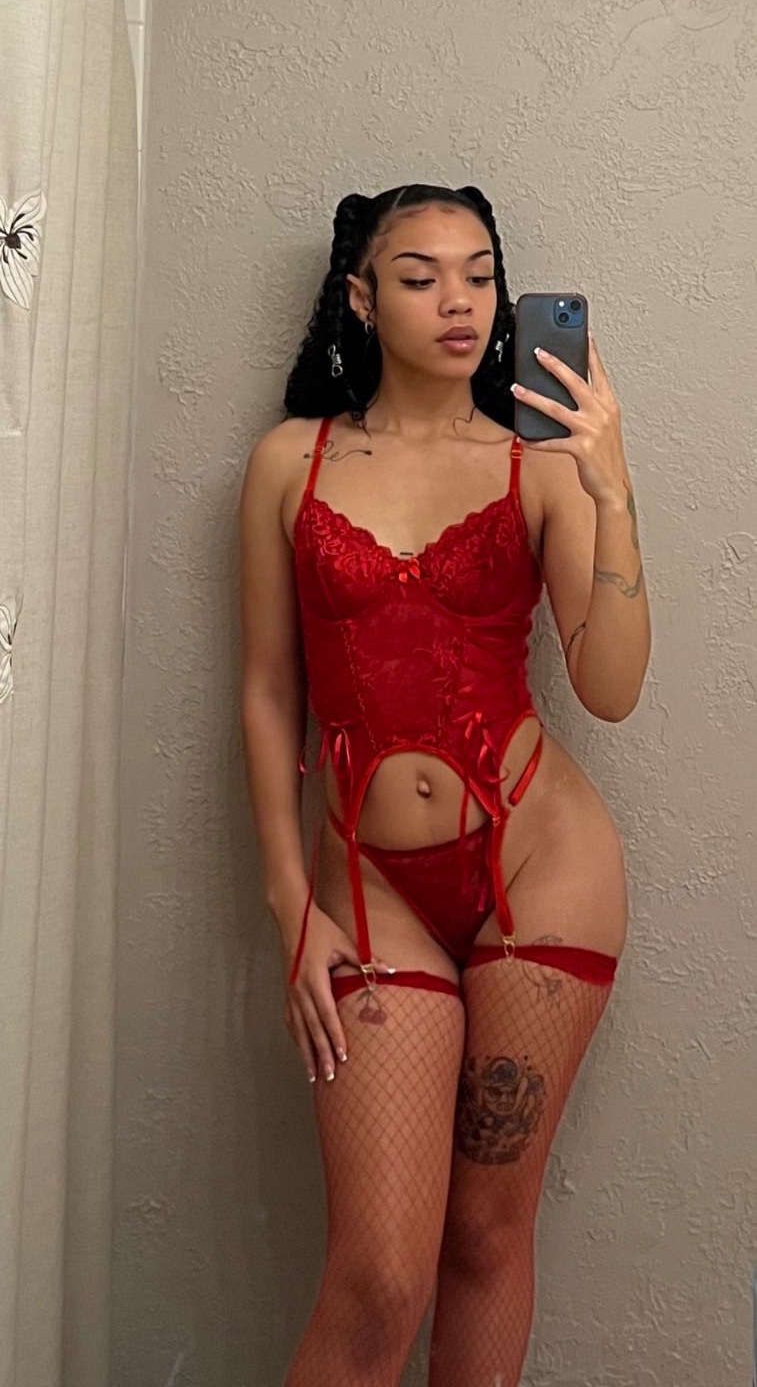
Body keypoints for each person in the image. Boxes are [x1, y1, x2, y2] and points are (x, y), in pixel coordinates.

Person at [239, 183, 650, 1387]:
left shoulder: (539, 466)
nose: (458, 300)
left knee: (484, 1237)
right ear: (363, 299)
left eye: (479, 275)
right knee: (377, 1277)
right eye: (420, 278)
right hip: (371, 893)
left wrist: (611, 487)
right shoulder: (290, 462)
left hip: (541, 871)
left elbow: (611, 688)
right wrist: (289, 903)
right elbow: (267, 694)